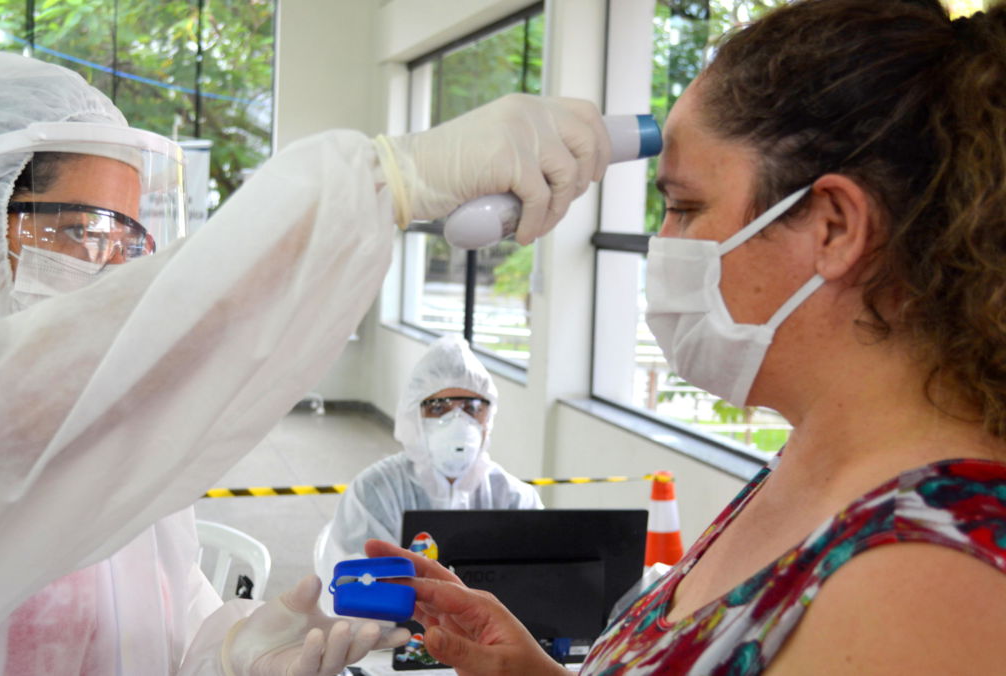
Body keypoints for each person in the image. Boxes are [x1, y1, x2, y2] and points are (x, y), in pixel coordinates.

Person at [0, 50, 612, 676]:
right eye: (88, 231)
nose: (113, 274)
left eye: (131, 243)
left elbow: (164, 618)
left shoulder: (114, 449)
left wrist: (230, 651)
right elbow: (6, 402)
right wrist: (382, 184)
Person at [367, 1, 1006, 673]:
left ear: (834, 228)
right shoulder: (817, 463)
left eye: (686, 207)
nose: (663, 245)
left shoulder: (922, 583)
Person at [316, 335, 541, 582]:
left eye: (472, 408)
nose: (458, 422)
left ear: (488, 418)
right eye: (438, 408)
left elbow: (539, 582)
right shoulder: (374, 492)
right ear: (414, 417)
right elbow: (353, 586)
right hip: (395, 621)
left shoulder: (515, 499)